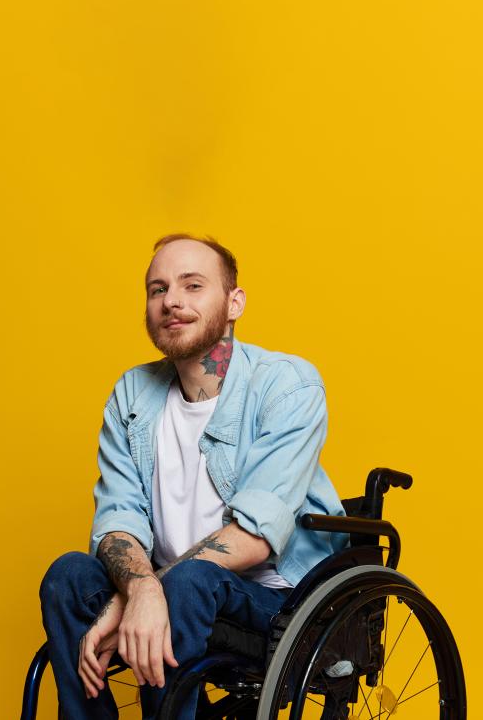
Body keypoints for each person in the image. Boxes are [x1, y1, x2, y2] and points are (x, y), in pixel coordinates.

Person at [40, 233, 347, 719]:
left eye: (192, 285)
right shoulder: (132, 394)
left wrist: (148, 592)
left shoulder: (287, 385)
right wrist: (139, 591)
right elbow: (118, 519)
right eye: (158, 289)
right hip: (173, 588)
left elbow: (254, 537)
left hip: (271, 600)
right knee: (68, 576)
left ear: (233, 302)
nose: (173, 301)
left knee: (191, 581)